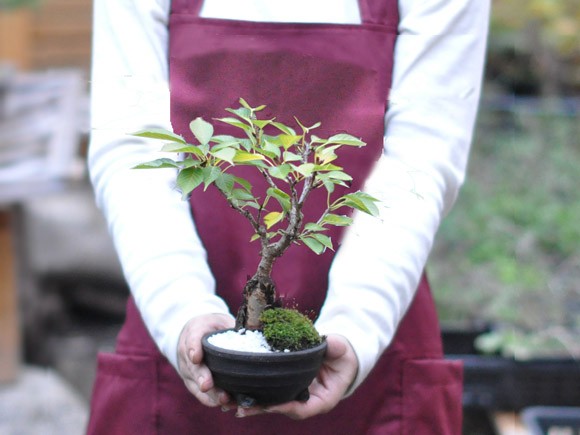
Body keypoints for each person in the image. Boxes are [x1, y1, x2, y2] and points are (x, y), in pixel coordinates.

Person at [87, 0, 490, 433]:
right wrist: (181, 310)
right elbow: (130, 143)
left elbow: (422, 157)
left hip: (376, 343)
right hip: (175, 330)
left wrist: (357, 324)